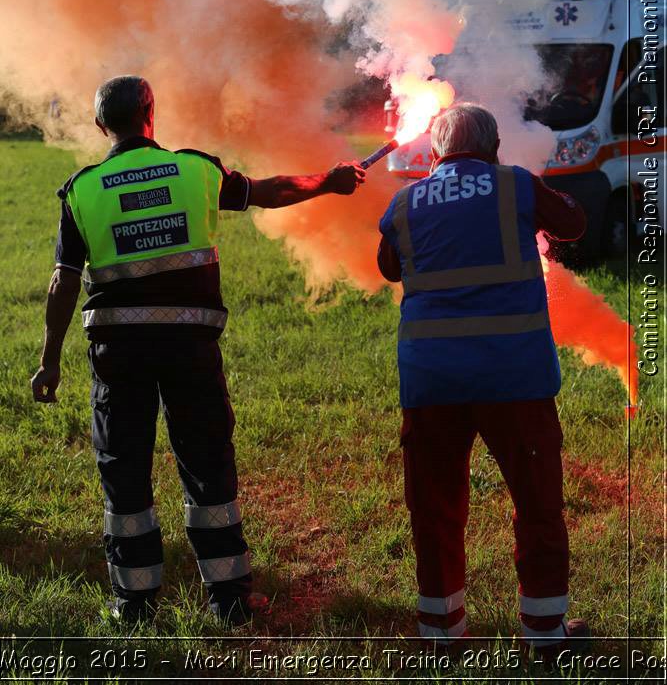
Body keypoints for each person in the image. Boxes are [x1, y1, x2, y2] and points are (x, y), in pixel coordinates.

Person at [31, 75, 365, 626]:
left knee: (124, 466)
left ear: (100, 126)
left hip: (119, 353)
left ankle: (134, 602)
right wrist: (328, 183)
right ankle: (230, 598)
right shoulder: (194, 169)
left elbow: (63, 282)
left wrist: (49, 361)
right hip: (191, 346)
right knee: (208, 462)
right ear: (150, 111)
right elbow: (268, 191)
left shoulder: (84, 188)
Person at [377, 102, 589, 660]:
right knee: (536, 502)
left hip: (431, 382)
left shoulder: (404, 201)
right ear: (493, 147)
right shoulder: (515, 185)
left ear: (436, 151)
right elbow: (572, 223)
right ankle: (545, 636)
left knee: (435, 505)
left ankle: (442, 636)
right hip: (512, 376)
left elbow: (388, 267)